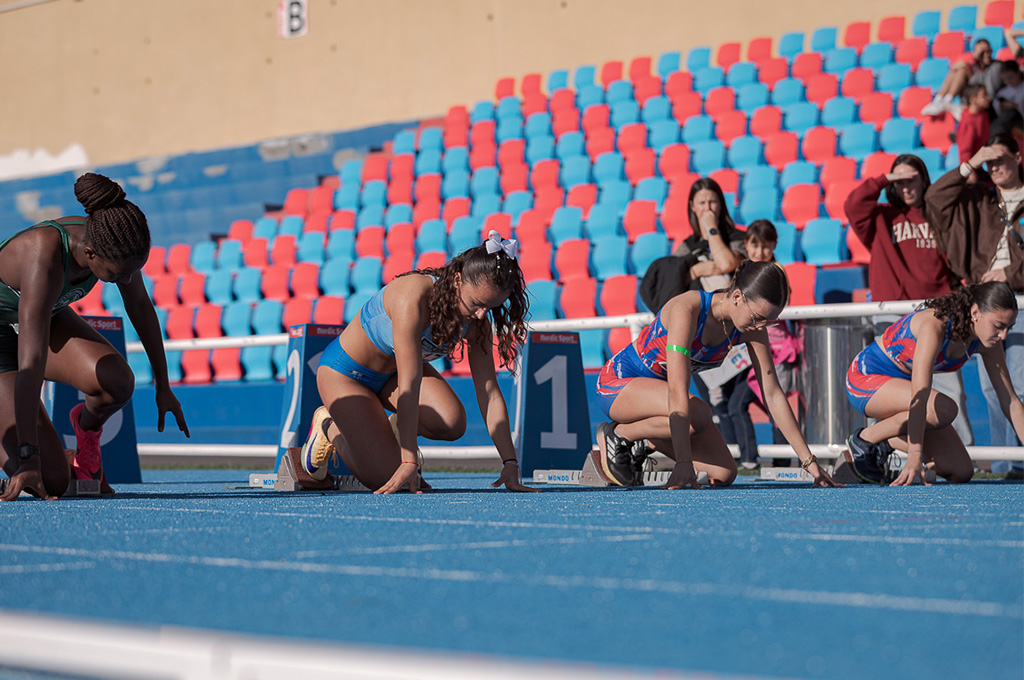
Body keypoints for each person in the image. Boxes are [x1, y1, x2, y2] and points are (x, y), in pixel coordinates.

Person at [0, 173, 189, 501]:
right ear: (89, 254)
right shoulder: (42, 256)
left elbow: (142, 308)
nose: (126, 279)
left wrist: (164, 386)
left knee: (118, 382)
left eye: (132, 271)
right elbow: (30, 367)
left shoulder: (113, 242)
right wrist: (29, 458)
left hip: (41, 317)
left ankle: (85, 433)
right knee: (50, 479)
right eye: (117, 274)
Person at [299, 231, 534, 493]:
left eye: (489, 308)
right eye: (477, 304)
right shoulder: (412, 297)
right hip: (345, 374)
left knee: (452, 422)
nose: (481, 316)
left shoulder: (478, 321)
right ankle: (328, 425)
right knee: (385, 479)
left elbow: (489, 394)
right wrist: (408, 460)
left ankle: (390, 432)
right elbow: (410, 385)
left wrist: (510, 462)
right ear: (457, 280)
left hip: (391, 377)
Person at [594, 260, 841, 489]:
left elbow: (773, 394)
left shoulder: (751, 327)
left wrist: (810, 463)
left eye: (770, 322)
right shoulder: (687, 309)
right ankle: (618, 434)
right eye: (759, 318)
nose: (761, 327)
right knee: (699, 414)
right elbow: (677, 392)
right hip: (617, 384)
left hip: (660, 399)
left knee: (723, 474)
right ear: (736, 297)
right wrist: (683, 463)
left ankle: (642, 441)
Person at [844, 153, 973, 445]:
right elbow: (852, 204)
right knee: (888, 390)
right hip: (893, 315)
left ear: (923, 179)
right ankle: (876, 448)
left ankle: (964, 450)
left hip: (938, 314)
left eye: (911, 179)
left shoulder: (937, 214)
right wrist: (883, 179)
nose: (905, 186)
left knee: (950, 388)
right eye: (898, 180)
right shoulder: (880, 216)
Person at [846, 282, 1022, 485]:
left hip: (903, 391)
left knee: (961, 470)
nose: (1004, 335)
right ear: (975, 312)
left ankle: (884, 440)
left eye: (1009, 327)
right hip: (865, 378)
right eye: (999, 326)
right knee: (944, 409)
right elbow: (920, 394)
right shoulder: (935, 325)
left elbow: (1011, 401)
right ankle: (865, 439)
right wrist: (914, 456)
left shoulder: (989, 343)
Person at [927, 134, 1024, 471]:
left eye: (1000, 158)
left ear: (1017, 157)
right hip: (986, 302)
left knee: (1019, 384)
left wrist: (1009, 272)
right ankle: (1004, 465)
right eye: (989, 162)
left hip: (1021, 301)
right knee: (990, 386)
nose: (994, 167)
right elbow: (935, 198)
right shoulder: (981, 198)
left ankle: (1018, 461)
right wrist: (971, 162)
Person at [725, 221, 802, 470]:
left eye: (765, 246)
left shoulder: (774, 272)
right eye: (754, 245)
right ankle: (750, 459)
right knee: (738, 404)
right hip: (753, 351)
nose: (759, 252)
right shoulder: (746, 273)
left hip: (779, 353)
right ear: (746, 245)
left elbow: (782, 295)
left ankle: (782, 465)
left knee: (775, 407)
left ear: (774, 246)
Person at [921, 31, 1023, 118]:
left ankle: (946, 101)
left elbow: (989, 92)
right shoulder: (976, 67)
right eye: (982, 52)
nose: (986, 55)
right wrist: (963, 64)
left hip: (986, 104)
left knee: (962, 70)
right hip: (974, 98)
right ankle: (940, 100)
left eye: (988, 51)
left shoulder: (996, 67)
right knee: (959, 70)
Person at [956, 83, 991, 173]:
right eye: (984, 95)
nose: (988, 97)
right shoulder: (968, 122)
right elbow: (965, 150)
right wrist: (970, 171)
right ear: (973, 99)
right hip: (976, 167)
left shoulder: (982, 113)